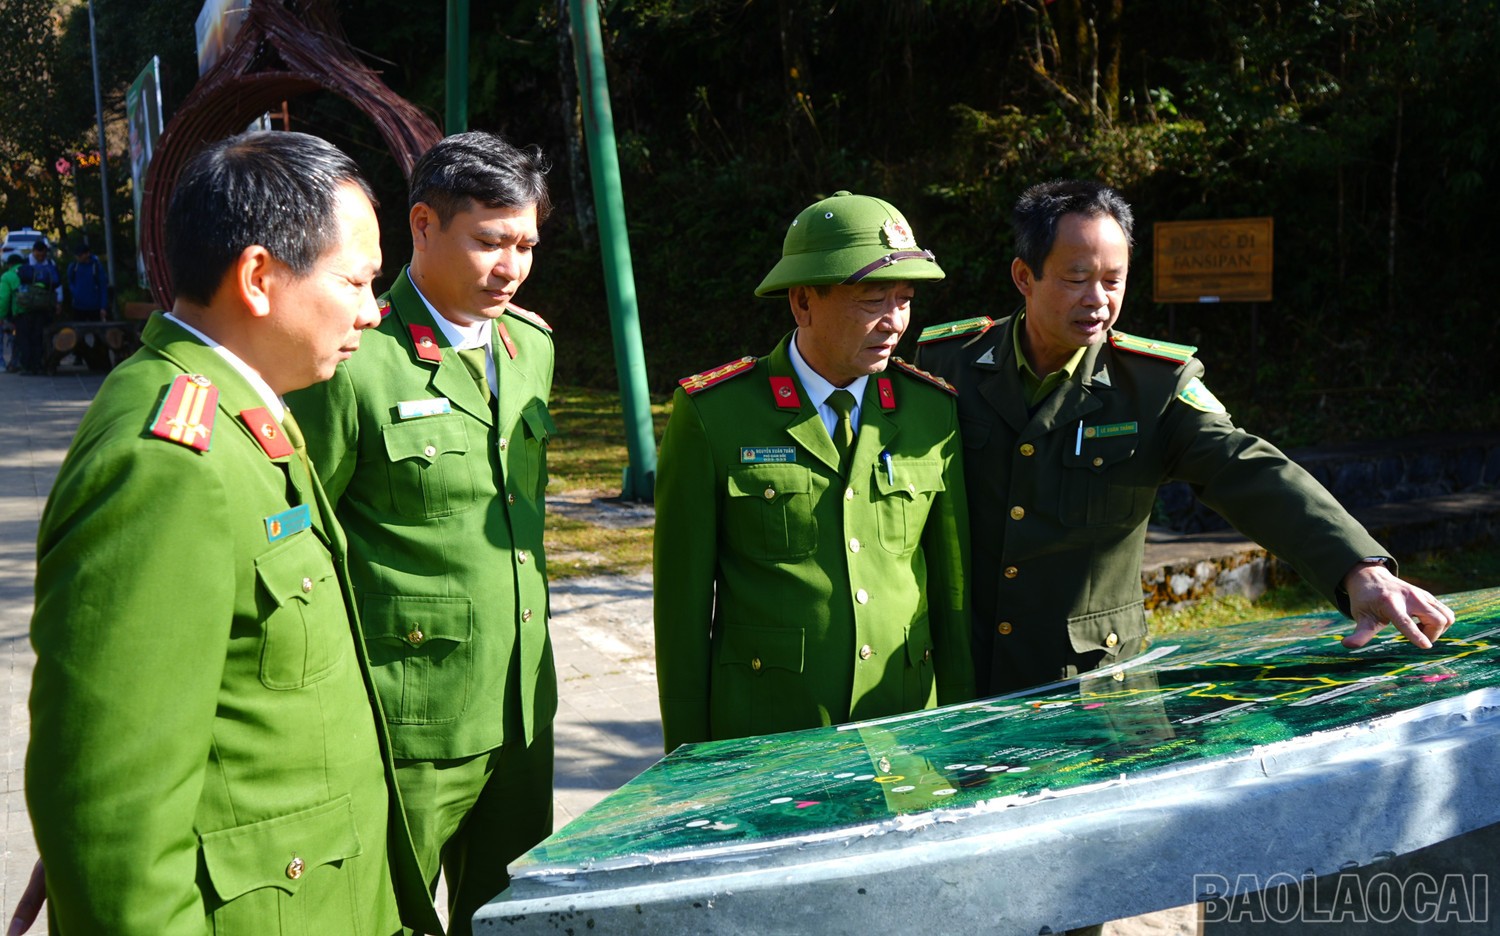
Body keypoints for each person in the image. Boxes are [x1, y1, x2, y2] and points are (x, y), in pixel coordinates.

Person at [22, 131, 440, 936]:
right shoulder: (170, 462)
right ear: (258, 277)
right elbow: (113, 816)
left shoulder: (248, 409)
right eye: (355, 280)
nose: (372, 310)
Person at [916, 178, 1455, 699]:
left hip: (1094, 688)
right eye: (1076, 278)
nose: (1097, 300)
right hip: (960, 678)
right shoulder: (945, 365)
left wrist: (1358, 568)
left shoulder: (1151, 386)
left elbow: (1246, 468)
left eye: (1113, 280)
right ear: (1024, 276)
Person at [286, 130, 556, 935]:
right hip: (408, 721)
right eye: (489, 241)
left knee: (510, 919)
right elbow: (304, 534)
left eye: (527, 244)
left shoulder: (530, 346)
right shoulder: (353, 359)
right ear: (425, 226)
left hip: (520, 708)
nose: (510, 266)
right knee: (389, 918)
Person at [653, 190, 975, 754]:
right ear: (803, 303)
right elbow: (680, 615)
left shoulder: (931, 411)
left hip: (902, 727)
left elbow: (952, 595)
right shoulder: (716, 414)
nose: (894, 322)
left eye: (904, 299)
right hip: (768, 734)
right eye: (874, 300)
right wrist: (687, 762)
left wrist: (959, 735)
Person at [65, 243, 106, 320]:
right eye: (77, 255)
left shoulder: (96, 266)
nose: (78, 258)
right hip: (78, 306)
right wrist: (75, 293)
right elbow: (70, 282)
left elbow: (103, 286)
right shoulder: (73, 266)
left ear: (87, 254)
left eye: (80, 255)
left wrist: (103, 306)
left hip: (94, 307)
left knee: (95, 330)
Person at [0, 254, 23, 371]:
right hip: (31, 311)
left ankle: (3, 364)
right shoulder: (30, 272)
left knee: (10, 336)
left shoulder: (7, 276)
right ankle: (21, 362)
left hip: (14, 312)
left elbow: (4, 298)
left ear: (9, 264)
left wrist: (1, 315)